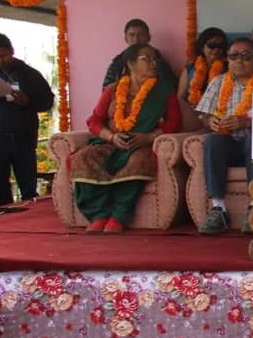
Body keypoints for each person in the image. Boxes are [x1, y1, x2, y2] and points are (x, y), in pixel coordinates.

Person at [69, 43, 181, 232]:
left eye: (155, 59)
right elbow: (94, 121)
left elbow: (175, 123)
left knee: (139, 160)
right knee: (84, 157)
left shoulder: (164, 91)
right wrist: (112, 137)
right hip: (111, 142)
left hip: (141, 144)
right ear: (131, 63)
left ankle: (119, 216)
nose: (154, 63)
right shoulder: (112, 90)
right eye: (147, 58)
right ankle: (98, 215)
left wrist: (149, 137)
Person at [195, 38, 253, 235]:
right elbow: (203, 115)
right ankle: (218, 209)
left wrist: (247, 123)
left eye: (245, 57)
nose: (239, 61)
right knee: (212, 140)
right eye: (233, 56)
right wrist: (210, 121)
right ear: (227, 59)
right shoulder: (218, 82)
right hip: (229, 145)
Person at [0, 33, 55, 208]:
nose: (0, 60)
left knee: (28, 188)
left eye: (3, 55)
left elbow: (48, 101)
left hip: (23, 138)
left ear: (12, 51)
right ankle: (1, 223)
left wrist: (28, 101)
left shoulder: (29, 74)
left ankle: (32, 220)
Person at [102, 18, 176, 89]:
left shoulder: (159, 62)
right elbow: (106, 90)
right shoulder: (117, 64)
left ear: (148, 37)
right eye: (132, 35)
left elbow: (171, 87)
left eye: (140, 34)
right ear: (126, 39)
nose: (136, 39)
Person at [177, 27, 228, 106]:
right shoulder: (190, 69)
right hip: (192, 109)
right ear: (202, 47)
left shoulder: (229, 68)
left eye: (220, 46)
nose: (216, 50)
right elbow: (180, 97)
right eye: (211, 45)